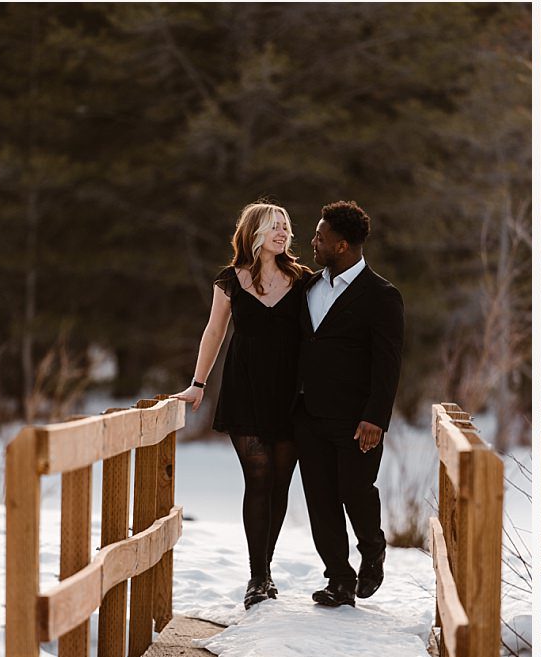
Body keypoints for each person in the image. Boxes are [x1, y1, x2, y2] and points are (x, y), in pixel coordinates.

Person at [173, 202, 311, 609]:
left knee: (280, 483)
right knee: (258, 476)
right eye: (275, 227)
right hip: (245, 387)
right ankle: (257, 577)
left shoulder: (303, 279)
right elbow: (214, 331)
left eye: (286, 227)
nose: (283, 233)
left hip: (291, 392)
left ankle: (265, 567)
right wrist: (198, 383)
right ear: (255, 232)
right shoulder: (230, 280)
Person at [296, 200, 404, 608]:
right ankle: (339, 580)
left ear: (341, 245)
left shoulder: (382, 296)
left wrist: (375, 416)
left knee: (355, 491)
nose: (313, 242)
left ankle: (372, 548)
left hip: (357, 420)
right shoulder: (308, 286)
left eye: (320, 237)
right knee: (321, 500)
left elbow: (388, 363)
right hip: (307, 415)